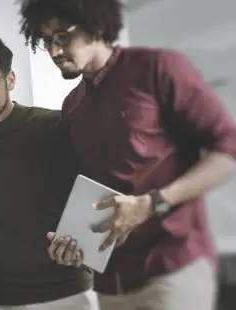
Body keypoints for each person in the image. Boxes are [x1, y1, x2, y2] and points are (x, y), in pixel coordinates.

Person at [18, 0, 236, 309]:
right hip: (110, 284)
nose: (54, 51)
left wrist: (153, 203)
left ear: (94, 23)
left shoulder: (159, 67)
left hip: (172, 272)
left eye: (62, 37)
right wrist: (72, 241)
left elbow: (227, 149)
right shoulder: (72, 106)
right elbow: (87, 193)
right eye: (46, 40)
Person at [0, 34, 98, 309]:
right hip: (0, 298)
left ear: (10, 80)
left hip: (67, 294)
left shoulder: (56, 126)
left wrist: (85, 247)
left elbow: (101, 193)